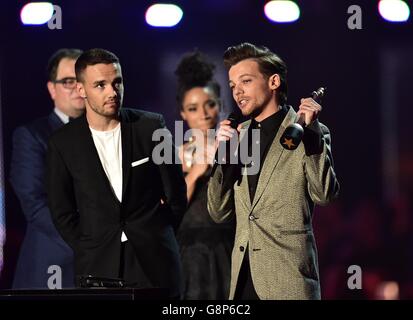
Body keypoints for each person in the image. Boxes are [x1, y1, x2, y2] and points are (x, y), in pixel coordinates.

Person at [46, 48, 187, 298]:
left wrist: (157, 234)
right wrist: (89, 245)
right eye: (100, 85)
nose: (112, 92)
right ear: (81, 90)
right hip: (98, 266)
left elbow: (176, 193)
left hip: (155, 262)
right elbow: (62, 211)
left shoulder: (151, 126)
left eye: (117, 82)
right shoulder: (62, 143)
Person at [207, 42, 340, 300]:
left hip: (288, 280)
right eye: (233, 85)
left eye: (245, 81)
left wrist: (311, 134)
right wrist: (223, 156)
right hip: (243, 282)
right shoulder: (238, 136)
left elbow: (325, 195)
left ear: (274, 82)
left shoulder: (308, 131)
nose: (238, 92)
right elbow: (218, 212)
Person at [9, 48, 84, 289]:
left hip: (102, 269)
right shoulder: (31, 135)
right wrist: (90, 238)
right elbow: (35, 204)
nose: (77, 88)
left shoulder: (109, 134)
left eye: (83, 80)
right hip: (54, 264)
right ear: (52, 88)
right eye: (68, 81)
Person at [174, 51, 235, 299]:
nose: (204, 113)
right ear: (183, 113)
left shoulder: (237, 148)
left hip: (229, 248)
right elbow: (168, 211)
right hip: (190, 253)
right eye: (193, 108)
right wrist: (195, 172)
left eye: (210, 104)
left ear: (220, 104)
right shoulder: (174, 155)